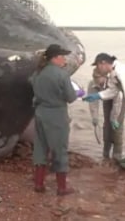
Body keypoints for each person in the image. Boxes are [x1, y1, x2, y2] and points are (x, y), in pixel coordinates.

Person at [29, 43, 85, 195]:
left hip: (40, 113)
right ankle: (62, 188)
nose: (65, 60)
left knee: (40, 148)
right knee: (59, 149)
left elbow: (33, 86)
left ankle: (39, 184)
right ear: (56, 57)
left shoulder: (38, 73)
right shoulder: (61, 74)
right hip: (56, 114)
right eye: (63, 57)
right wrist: (79, 93)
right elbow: (70, 97)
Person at [86, 67, 125, 160]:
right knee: (107, 125)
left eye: (98, 78)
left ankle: (117, 155)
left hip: (120, 100)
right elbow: (93, 102)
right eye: (94, 77)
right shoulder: (93, 84)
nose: (97, 80)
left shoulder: (114, 82)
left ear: (105, 76)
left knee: (117, 126)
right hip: (106, 99)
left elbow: (117, 103)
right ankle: (105, 154)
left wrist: (114, 118)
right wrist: (94, 117)